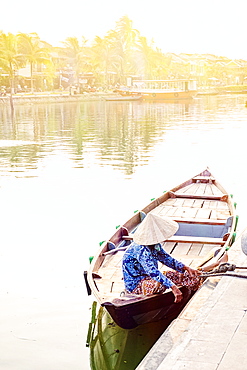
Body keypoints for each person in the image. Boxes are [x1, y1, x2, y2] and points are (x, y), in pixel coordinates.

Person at [122, 213, 201, 303]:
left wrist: (186, 268)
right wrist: (173, 287)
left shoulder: (154, 245)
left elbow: (167, 259)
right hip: (137, 284)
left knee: (187, 276)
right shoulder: (140, 248)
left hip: (150, 278)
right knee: (160, 285)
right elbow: (152, 271)